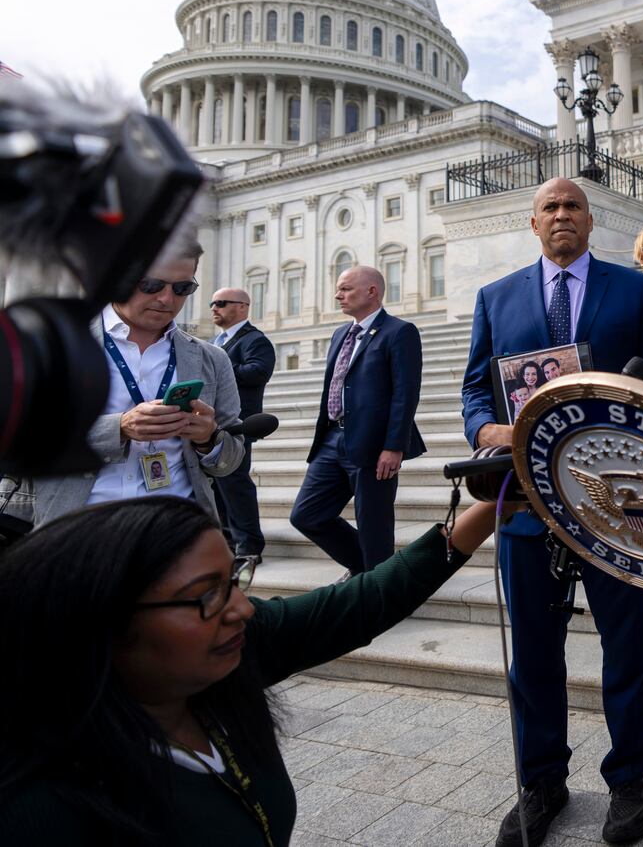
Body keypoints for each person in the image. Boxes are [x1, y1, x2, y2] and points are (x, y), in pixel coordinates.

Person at [0, 491, 507, 845]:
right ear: (101, 624)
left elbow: (362, 602)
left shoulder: (223, 664)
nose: (242, 610)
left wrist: (494, 501)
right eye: (206, 595)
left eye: (235, 580)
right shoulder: (40, 809)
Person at [463, 177, 643, 847]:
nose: (562, 215)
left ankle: (629, 776)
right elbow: (475, 388)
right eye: (551, 207)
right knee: (532, 651)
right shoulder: (495, 298)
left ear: (592, 220)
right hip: (527, 505)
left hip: (619, 503)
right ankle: (542, 781)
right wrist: (486, 430)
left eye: (573, 206)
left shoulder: (635, 289)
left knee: (626, 643)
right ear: (533, 223)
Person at [29, 242, 245, 529]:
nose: (167, 299)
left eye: (182, 288)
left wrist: (208, 438)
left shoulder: (213, 359)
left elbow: (231, 460)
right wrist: (119, 428)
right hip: (79, 529)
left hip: (177, 530)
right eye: (152, 284)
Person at [290, 266, 424, 577]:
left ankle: (381, 596)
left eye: (346, 289)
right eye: (339, 289)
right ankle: (366, 571)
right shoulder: (340, 334)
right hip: (331, 440)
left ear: (372, 292)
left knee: (374, 525)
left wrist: (394, 446)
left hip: (374, 444)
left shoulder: (399, 332)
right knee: (306, 515)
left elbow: (405, 395)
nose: (338, 295)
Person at [209, 288, 274, 560]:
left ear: (243, 307)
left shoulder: (255, 340)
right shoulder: (217, 340)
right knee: (216, 487)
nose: (214, 307)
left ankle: (248, 545)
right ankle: (227, 541)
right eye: (213, 303)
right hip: (213, 425)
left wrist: (220, 369)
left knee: (236, 484)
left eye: (221, 303)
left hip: (238, 425)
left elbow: (258, 371)